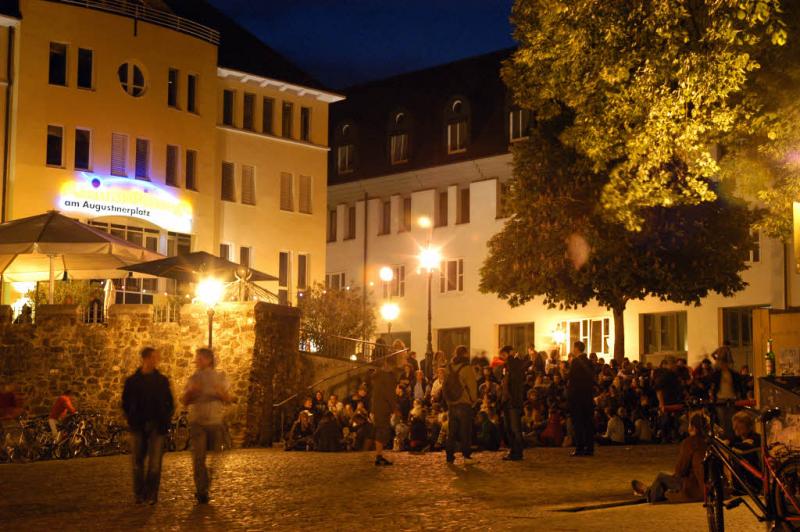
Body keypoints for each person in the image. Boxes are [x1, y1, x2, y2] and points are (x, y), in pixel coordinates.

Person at [121, 347, 174, 505]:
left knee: (155, 465)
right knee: (137, 463)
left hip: (157, 426)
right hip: (138, 426)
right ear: (145, 359)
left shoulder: (162, 381)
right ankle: (139, 494)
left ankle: (151, 494)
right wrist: (131, 418)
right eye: (153, 357)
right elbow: (125, 402)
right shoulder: (132, 381)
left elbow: (169, 402)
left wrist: (165, 418)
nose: (156, 360)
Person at [182, 347, 232, 504]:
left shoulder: (220, 377)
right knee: (198, 457)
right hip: (198, 423)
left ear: (208, 360)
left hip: (214, 422)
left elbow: (228, 399)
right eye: (197, 358)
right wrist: (191, 392)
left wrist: (219, 392)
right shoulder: (193, 378)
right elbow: (184, 400)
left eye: (200, 358)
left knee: (216, 457)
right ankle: (201, 490)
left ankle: (206, 480)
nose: (196, 361)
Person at [632, 413, 708, 503]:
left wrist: (673, 478)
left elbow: (681, 470)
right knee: (667, 479)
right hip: (711, 487)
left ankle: (649, 494)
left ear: (693, 427)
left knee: (661, 477)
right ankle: (651, 490)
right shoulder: (709, 441)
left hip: (696, 489)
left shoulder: (690, 442)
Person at [444, 345, 477, 464]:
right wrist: (473, 400)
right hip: (464, 403)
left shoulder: (449, 367)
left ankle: (449, 456)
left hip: (452, 404)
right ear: (465, 354)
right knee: (465, 431)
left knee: (451, 431)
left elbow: (444, 386)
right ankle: (466, 456)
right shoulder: (467, 368)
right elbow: (472, 386)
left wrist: (448, 400)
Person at [567, 341, 595, 457]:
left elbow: (571, 379)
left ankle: (580, 447)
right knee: (588, 422)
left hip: (577, 397)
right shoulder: (588, 362)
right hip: (588, 396)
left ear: (577, 348)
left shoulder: (575, 362)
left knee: (578, 423)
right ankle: (589, 448)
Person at [499, 345, 526, 461]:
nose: (503, 358)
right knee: (511, 427)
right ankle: (515, 451)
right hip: (510, 400)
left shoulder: (513, 364)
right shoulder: (511, 365)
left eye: (504, 355)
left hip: (512, 401)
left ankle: (517, 451)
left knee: (514, 428)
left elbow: (511, 384)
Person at [371, 353, 397, 466]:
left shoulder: (378, 375)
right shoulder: (387, 377)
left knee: (380, 430)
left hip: (377, 406)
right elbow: (389, 394)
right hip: (383, 407)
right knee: (382, 431)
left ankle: (379, 455)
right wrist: (395, 408)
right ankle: (378, 456)